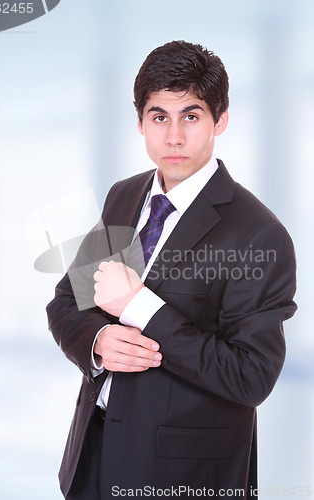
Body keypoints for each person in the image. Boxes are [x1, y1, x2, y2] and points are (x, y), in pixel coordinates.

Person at [46, 40, 297, 500]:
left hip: (183, 475)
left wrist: (142, 307)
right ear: (140, 122)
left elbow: (251, 376)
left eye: (192, 116)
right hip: (93, 454)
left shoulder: (259, 234)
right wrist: (98, 342)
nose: (174, 137)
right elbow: (66, 301)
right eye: (160, 117)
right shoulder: (125, 195)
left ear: (220, 120)